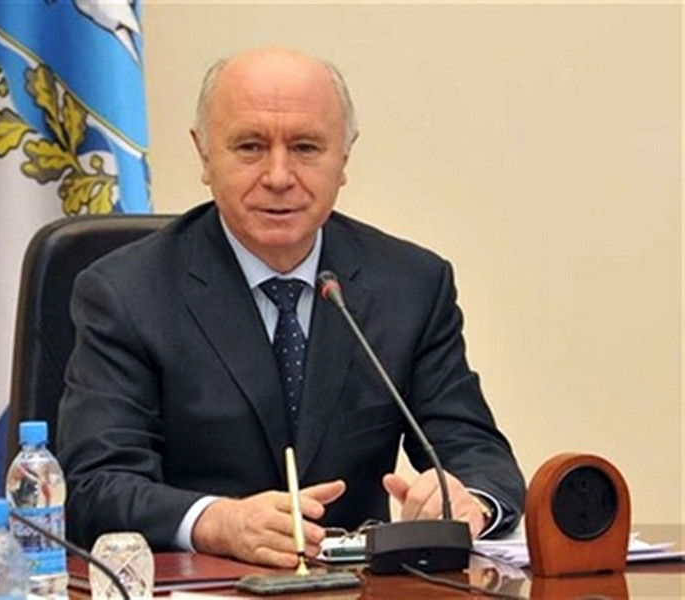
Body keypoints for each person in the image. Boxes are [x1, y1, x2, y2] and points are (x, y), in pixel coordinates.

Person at [57, 47, 525, 568]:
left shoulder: (410, 285)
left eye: (305, 147)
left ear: (343, 158)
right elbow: (96, 486)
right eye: (250, 147)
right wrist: (217, 522)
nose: (279, 176)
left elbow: (478, 456)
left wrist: (468, 501)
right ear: (204, 156)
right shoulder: (126, 293)